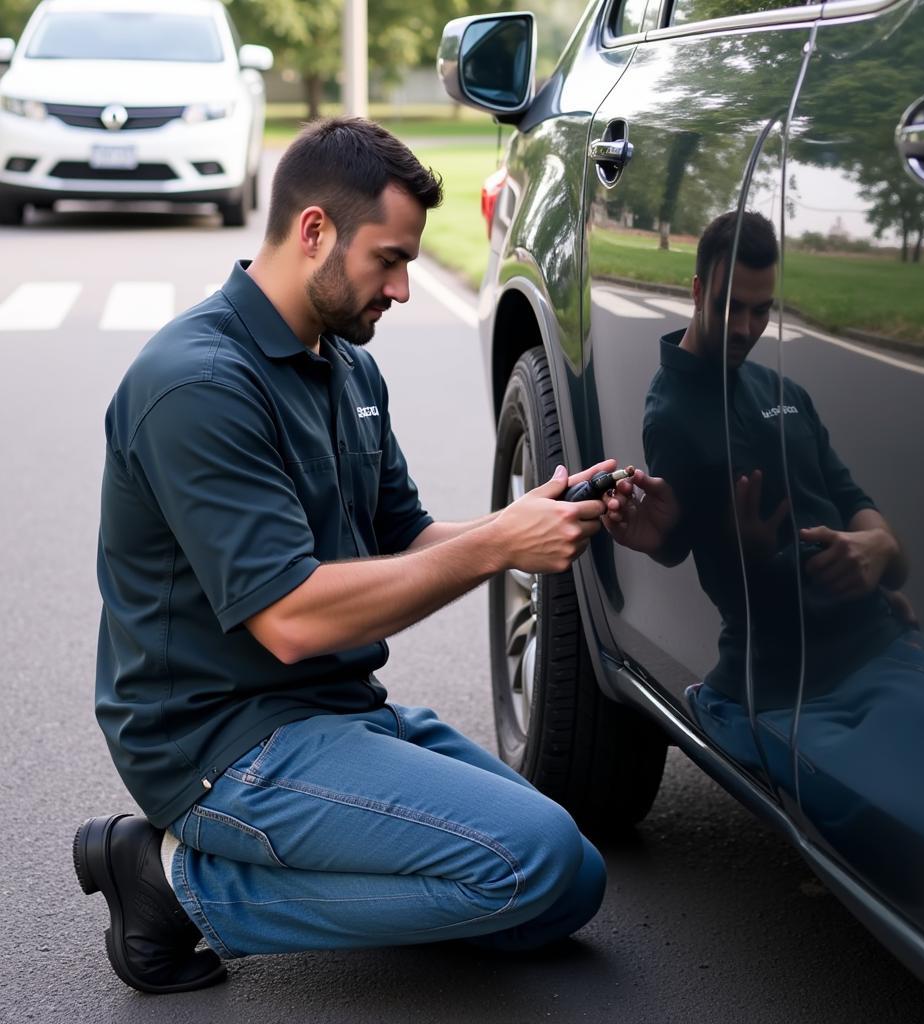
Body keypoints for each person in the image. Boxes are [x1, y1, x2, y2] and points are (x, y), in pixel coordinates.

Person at [74, 117, 610, 995]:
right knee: (530, 863)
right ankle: (172, 884)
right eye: (388, 260)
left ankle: (338, 860)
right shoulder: (198, 383)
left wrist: (536, 522)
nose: (402, 289)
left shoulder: (349, 368)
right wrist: (494, 551)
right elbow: (290, 618)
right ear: (315, 230)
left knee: (569, 882)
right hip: (222, 741)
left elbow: (412, 538)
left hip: (337, 710)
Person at [601, 210, 924, 860]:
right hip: (794, 679)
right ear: (695, 290)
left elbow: (858, 506)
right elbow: (687, 549)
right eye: (730, 307)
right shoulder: (675, 414)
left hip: (883, 646)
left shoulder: (782, 388)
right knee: (910, 833)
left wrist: (878, 548)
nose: (746, 329)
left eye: (762, 311)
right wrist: (743, 552)